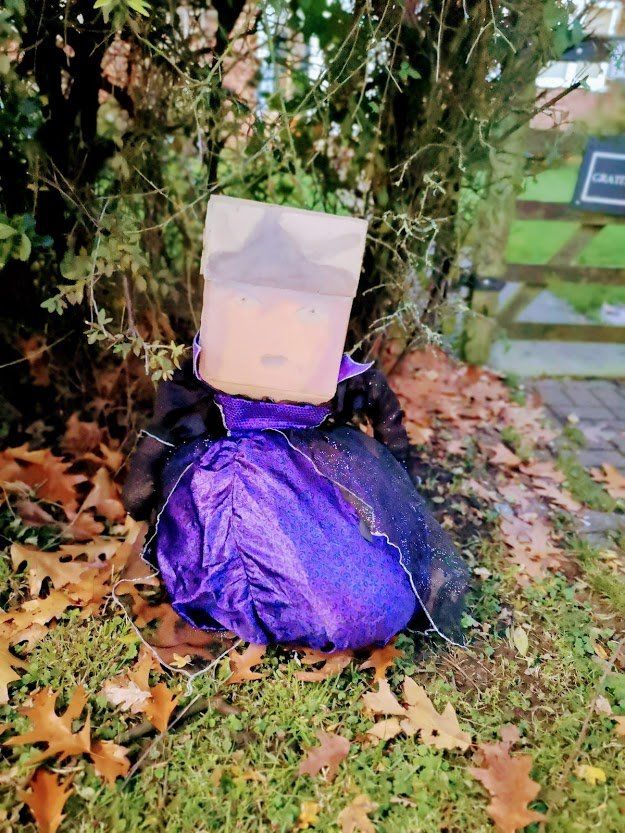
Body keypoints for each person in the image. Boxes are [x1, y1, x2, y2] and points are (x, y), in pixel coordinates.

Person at [123, 196, 468, 651]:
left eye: (306, 312)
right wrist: (146, 474)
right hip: (226, 487)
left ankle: (315, 597)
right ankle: (246, 599)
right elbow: (161, 442)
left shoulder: (339, 379)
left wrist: (397, 485)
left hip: (313, 479)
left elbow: (386, 417)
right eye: (249, 304)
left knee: (374, 598)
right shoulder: (206, 375)